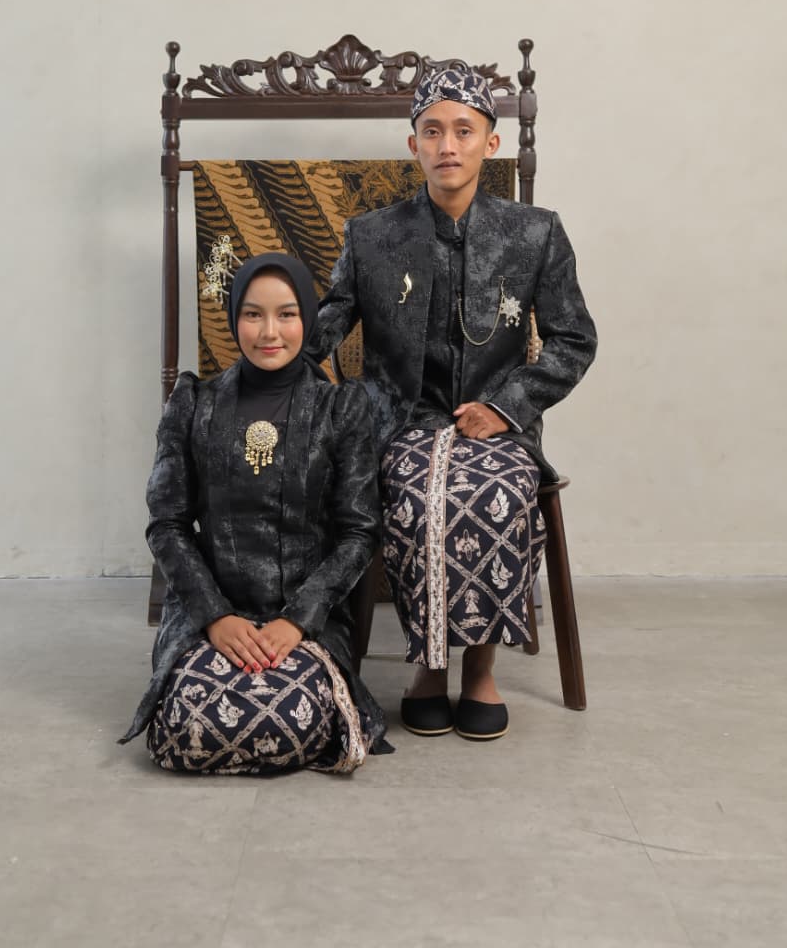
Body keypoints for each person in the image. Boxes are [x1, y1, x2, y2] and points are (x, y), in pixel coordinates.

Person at [315, 68, 597, 741]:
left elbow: (573, 339)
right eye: (432, 131)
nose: (447, 145)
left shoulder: (535, 233)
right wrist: (272, 347)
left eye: (463, 131)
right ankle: (428, 667)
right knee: (417, 495)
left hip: (498, 427)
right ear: (412, 144)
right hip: (399, 423)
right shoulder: (371, 236)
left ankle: (479, 670)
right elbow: (323, 328)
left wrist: (506, 407)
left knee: (491, 492)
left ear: (489, 145)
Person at [120, 253, 389, 773]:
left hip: (305, 624)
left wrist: (297, 620)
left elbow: (360, 532)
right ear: (233, 319)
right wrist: (215, 617)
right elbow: (167, 525)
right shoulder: (193, 403)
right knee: (192, 723)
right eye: (252, 314)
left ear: (307, 318)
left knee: (286, 716)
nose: (270, 332)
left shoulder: (340, 409)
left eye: (287, 314)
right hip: (209, 618)